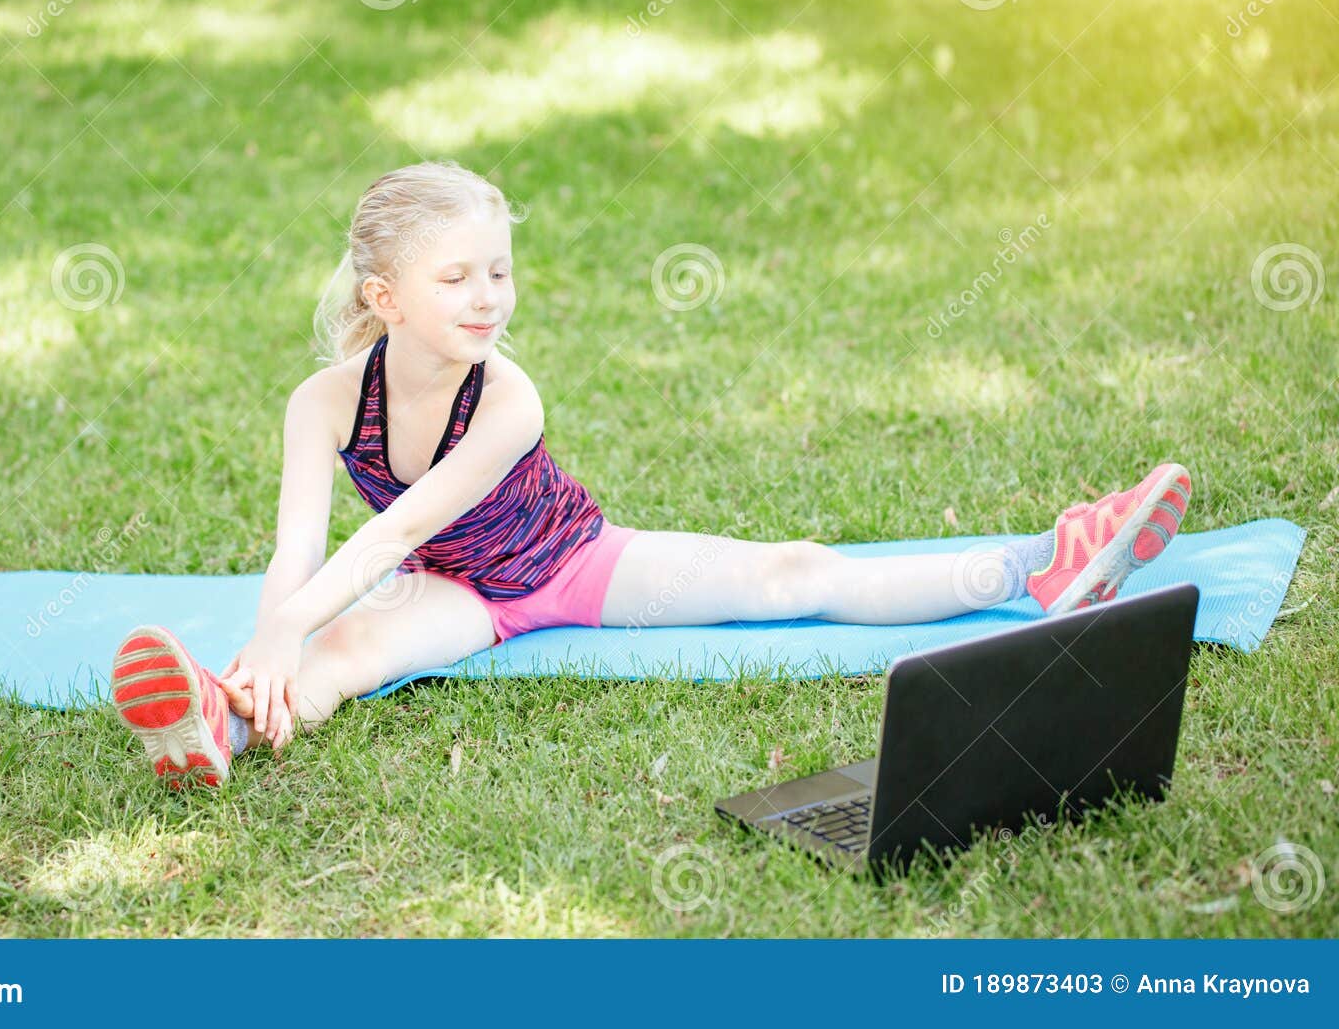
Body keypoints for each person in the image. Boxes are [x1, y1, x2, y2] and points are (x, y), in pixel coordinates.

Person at [110, 160, 1192, 788]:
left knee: (792, 573)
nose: (489, 296)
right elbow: (301, 545)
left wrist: (284, 621)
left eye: (500, 269)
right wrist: (275, 635)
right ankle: (220, 720)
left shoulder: (510, 393)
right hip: (447, 594)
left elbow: (384, 530)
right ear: (384, 296)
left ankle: (1046, 560)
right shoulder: (322, 403)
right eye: (456, 277)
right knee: (343, 652)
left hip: (575, 566)